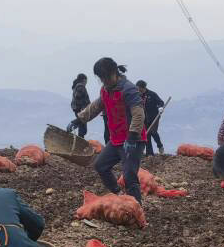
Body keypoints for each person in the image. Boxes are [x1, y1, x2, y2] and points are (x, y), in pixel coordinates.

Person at [69, 57, 146, 203]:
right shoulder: (105, 90)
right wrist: (79, 120)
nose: (104, 81)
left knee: (129, 175)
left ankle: (136, 208)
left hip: (132, 140)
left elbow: (138, 114)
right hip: (116, 139)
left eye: (106, 77)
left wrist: (132, 136)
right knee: (100, 165)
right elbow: (97, 106)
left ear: (114, 72)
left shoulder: (128, 89)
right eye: (101, 78)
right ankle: (118, 193)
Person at [136, 79, 167, 156]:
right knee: (146, 134)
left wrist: (160, 107)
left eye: (139, 88)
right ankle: (149, 153)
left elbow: (160, 102)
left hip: (154, 117)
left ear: (143, 88)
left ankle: (160, 146)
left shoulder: (152, 94)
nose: (138, 90)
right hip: (144, 118)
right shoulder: (138, 96)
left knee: (153, 132)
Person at [70, 74, 90, 139]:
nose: (87, 82)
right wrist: (82, 108)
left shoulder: (77, 86)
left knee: (82, 125)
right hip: (81, 109)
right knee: (82, 126)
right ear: (84, 80)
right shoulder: (81, 87)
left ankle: (80, 139)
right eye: (86, 80)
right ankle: (80, 140)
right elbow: (78, 97)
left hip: (78, 109)